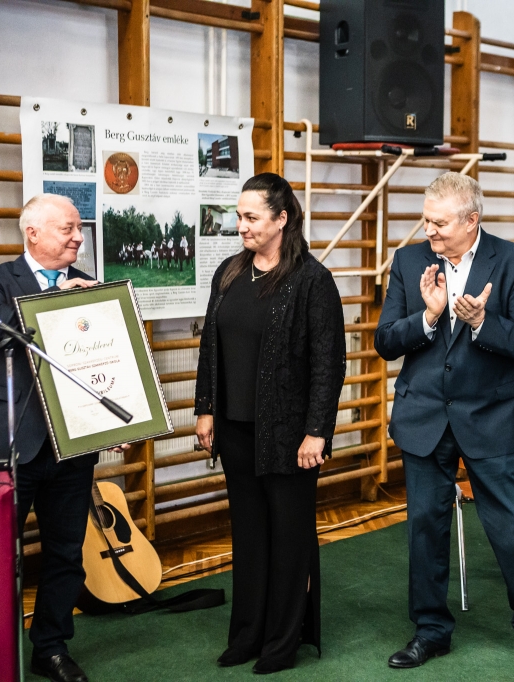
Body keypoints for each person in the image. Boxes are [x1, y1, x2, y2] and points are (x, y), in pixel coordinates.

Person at [375, 172, 514, 678]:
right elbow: (385, 341)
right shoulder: (409, 261)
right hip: (424, 418)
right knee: (425, 529)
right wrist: (429, 318)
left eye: (439, 223)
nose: (429, 230)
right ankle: (430, 632)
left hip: (492, 418)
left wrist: (482, 322)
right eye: (426, 220)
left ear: (471, 220)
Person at [193, 173, 346, 674]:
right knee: (249, 537)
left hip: (290, 437)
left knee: (289, 540)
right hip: (236, 432)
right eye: (239, 216)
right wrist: (205, 408)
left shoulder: (312, 281)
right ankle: (247, 636)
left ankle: (282, 642)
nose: (241, 225)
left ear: (282, 219)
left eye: (251, 217)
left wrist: (317, 431)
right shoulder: (229, 272)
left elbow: (328, 364)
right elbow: (210, 345)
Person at [0, 193, 121, 682]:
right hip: (13, 440)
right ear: (32, 233)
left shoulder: (90, 285)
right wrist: (58, 301)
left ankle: (51, 647)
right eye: (68, 229)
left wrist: (120, 421)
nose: (79, 238)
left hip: (73, 443)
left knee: (66, 553)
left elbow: (107, 363)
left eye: (79, 229)